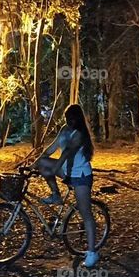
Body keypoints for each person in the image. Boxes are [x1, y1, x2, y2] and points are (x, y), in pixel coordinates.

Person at [36, 104, 99, 267]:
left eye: (71, 119)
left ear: (77, 119)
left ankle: (92, 252)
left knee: (86, 213)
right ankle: (55, 194)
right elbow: (53, 148)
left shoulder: (79, 134)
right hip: (67, 171)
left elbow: (66, 153)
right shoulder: (64, 129)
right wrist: (36, 161)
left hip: (80, 176)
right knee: (42, 163)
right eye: (66, 118)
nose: (68, 121)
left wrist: (54, 169)